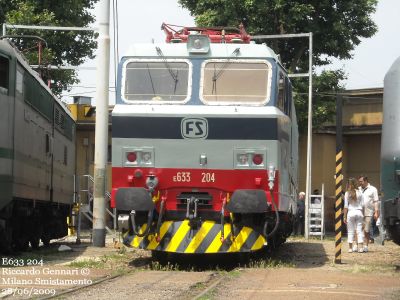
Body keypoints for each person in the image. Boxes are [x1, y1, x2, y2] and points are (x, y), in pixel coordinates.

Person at [358, 175, 379, 252]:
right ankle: (359, 246)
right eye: (359, 181)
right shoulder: (358, 189)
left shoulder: (373, 189)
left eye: (361, 181)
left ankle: (366, 246)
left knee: (366, 230)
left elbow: (375, 201)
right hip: (359, 212)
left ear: (366, 181)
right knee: (359, 229)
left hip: (368, 212)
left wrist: (376, 212)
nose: (360, 183)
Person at [343, 178, 364, 253]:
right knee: (359, 231)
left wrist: (344, 216)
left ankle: (350, 248)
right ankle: (361, 248)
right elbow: (363, 205)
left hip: (351, 212)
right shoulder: (360, 192)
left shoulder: (347, 193)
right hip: (359, 212)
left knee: (350, 231)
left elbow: (345, 206)